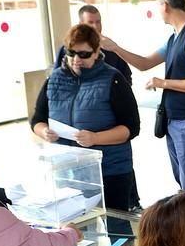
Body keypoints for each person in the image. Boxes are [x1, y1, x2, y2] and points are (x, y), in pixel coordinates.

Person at [101, 0, 185, 205]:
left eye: (158, 6)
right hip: (174, 119)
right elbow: (144, 63)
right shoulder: (174, 38)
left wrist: (163, 83)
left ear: (166, 5)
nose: (158, 11)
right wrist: (115, 48)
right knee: (183, 181)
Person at [31, 24, 141, 228]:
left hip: (111, 169)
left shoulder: (113, 79)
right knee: (78, 231)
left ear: (97, 52)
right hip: (69, 172)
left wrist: (95, 138)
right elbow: (37, 119)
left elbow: (131, 128)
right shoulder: (54, 79)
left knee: (116, 229)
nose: (76, 59)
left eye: (83, 54)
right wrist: (44, 132)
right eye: (71, 53)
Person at [54, 5, 133, 85]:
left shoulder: (111, 48)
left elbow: (126, 78)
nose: (95, 26)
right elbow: (56, 79)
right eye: (90, 22)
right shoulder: (66, 49)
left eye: (98, 22)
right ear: (81, 24)